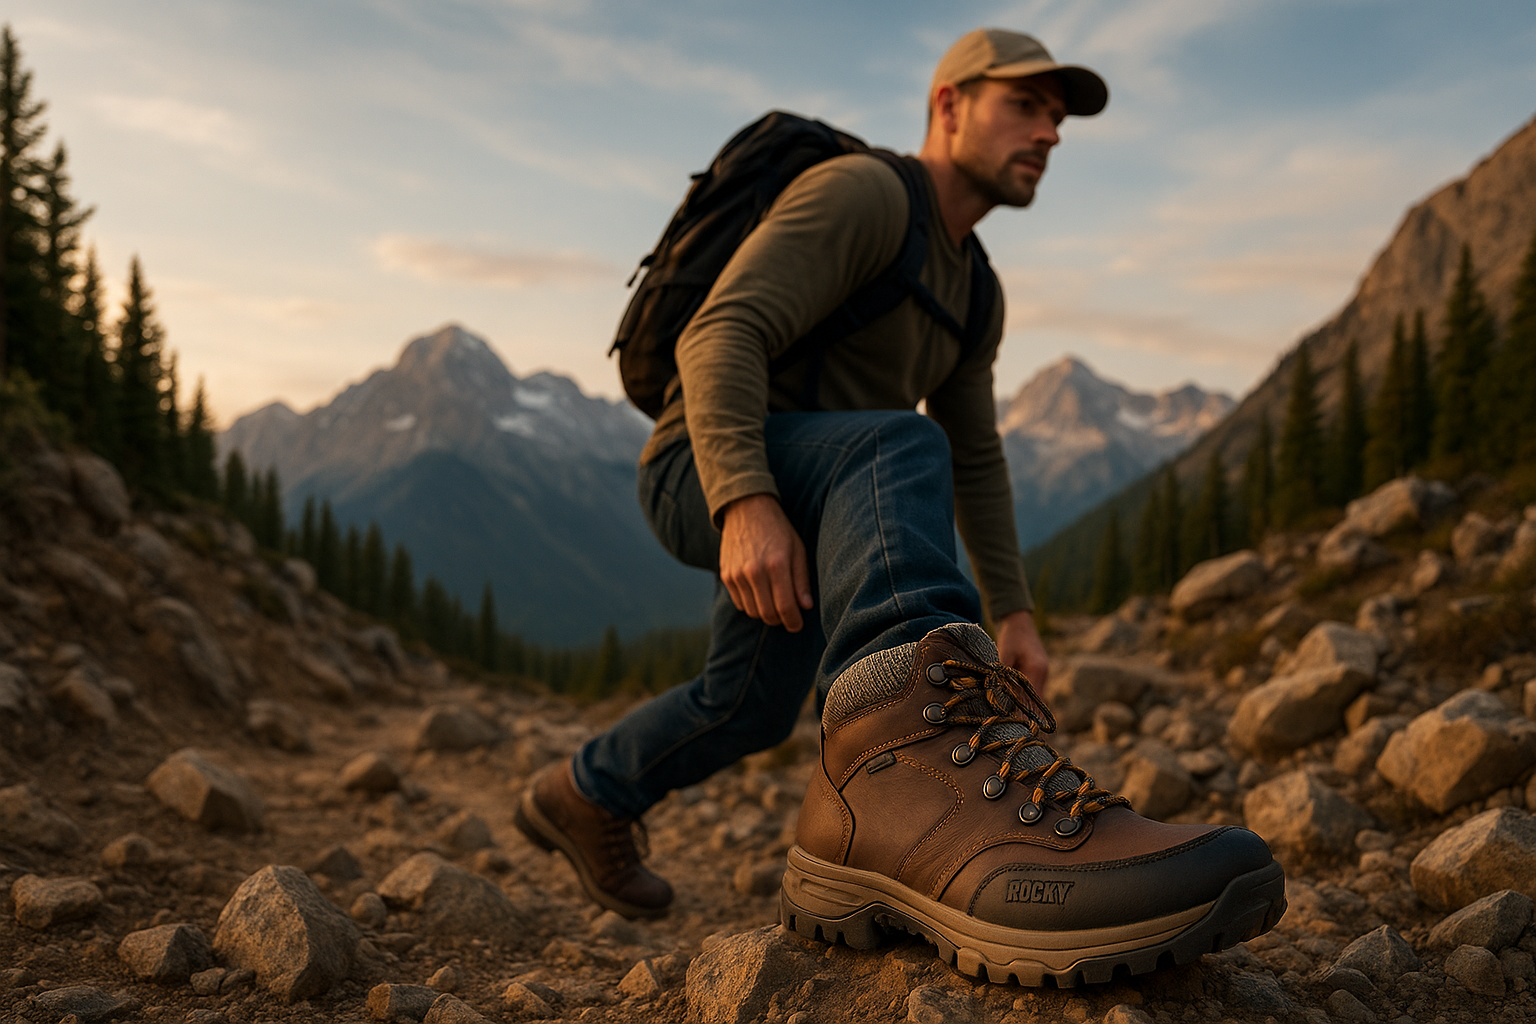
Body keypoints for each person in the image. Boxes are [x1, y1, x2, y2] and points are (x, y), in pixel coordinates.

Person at [517, 28, 1284, 981]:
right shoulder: (865, 193)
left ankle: (586, 790)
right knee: (894, 437)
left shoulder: (975, 288)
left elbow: (976, 452)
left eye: (1058, 116)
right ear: (949, 105)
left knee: (749, 706)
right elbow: (720, 332)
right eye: (1024, 105)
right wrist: (745, 502)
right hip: (702, 465)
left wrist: (1013, 611)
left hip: (827, 493)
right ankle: (912, 771)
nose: (1048, 131)